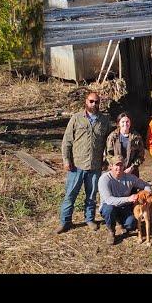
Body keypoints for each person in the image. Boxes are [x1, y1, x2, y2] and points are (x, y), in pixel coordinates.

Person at [56, 91, 110, 234]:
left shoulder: (104, 121)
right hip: (77, 165)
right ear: (86, 102)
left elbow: (108, 142)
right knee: (70, 195)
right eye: (91, 101)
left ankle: (89, 219)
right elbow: (67, 141)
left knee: (91, 195)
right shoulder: (76, 118)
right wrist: (66, 160)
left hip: (95, 165)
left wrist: (106, 160)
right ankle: (65, 221)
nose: (94, 104)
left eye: (97, 102)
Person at [98, 154, 152, 245]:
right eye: (116, 165)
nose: (119, 168)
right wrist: (128, 198)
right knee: (108, 209)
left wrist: (147, 195)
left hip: (124, 207)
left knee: (132, 224)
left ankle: (121, 223)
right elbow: (109, 200)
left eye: (121, 165)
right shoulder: (104, 179)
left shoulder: (129, 178)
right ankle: (111, 231)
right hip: (110, 206)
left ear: (124, 166)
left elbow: (146, 185)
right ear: (111, 166)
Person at [105, 112, 145, 178]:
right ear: (118, 123)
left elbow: (140, 155)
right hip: (116, 171)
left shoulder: (136, 137)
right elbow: (108, 154)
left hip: (132, 171)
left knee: (132, 188)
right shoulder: (113, 137)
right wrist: (116, 167)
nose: (125, 124)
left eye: (127, 122)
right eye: (122, 122)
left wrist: (132, 167)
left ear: (130, 123)